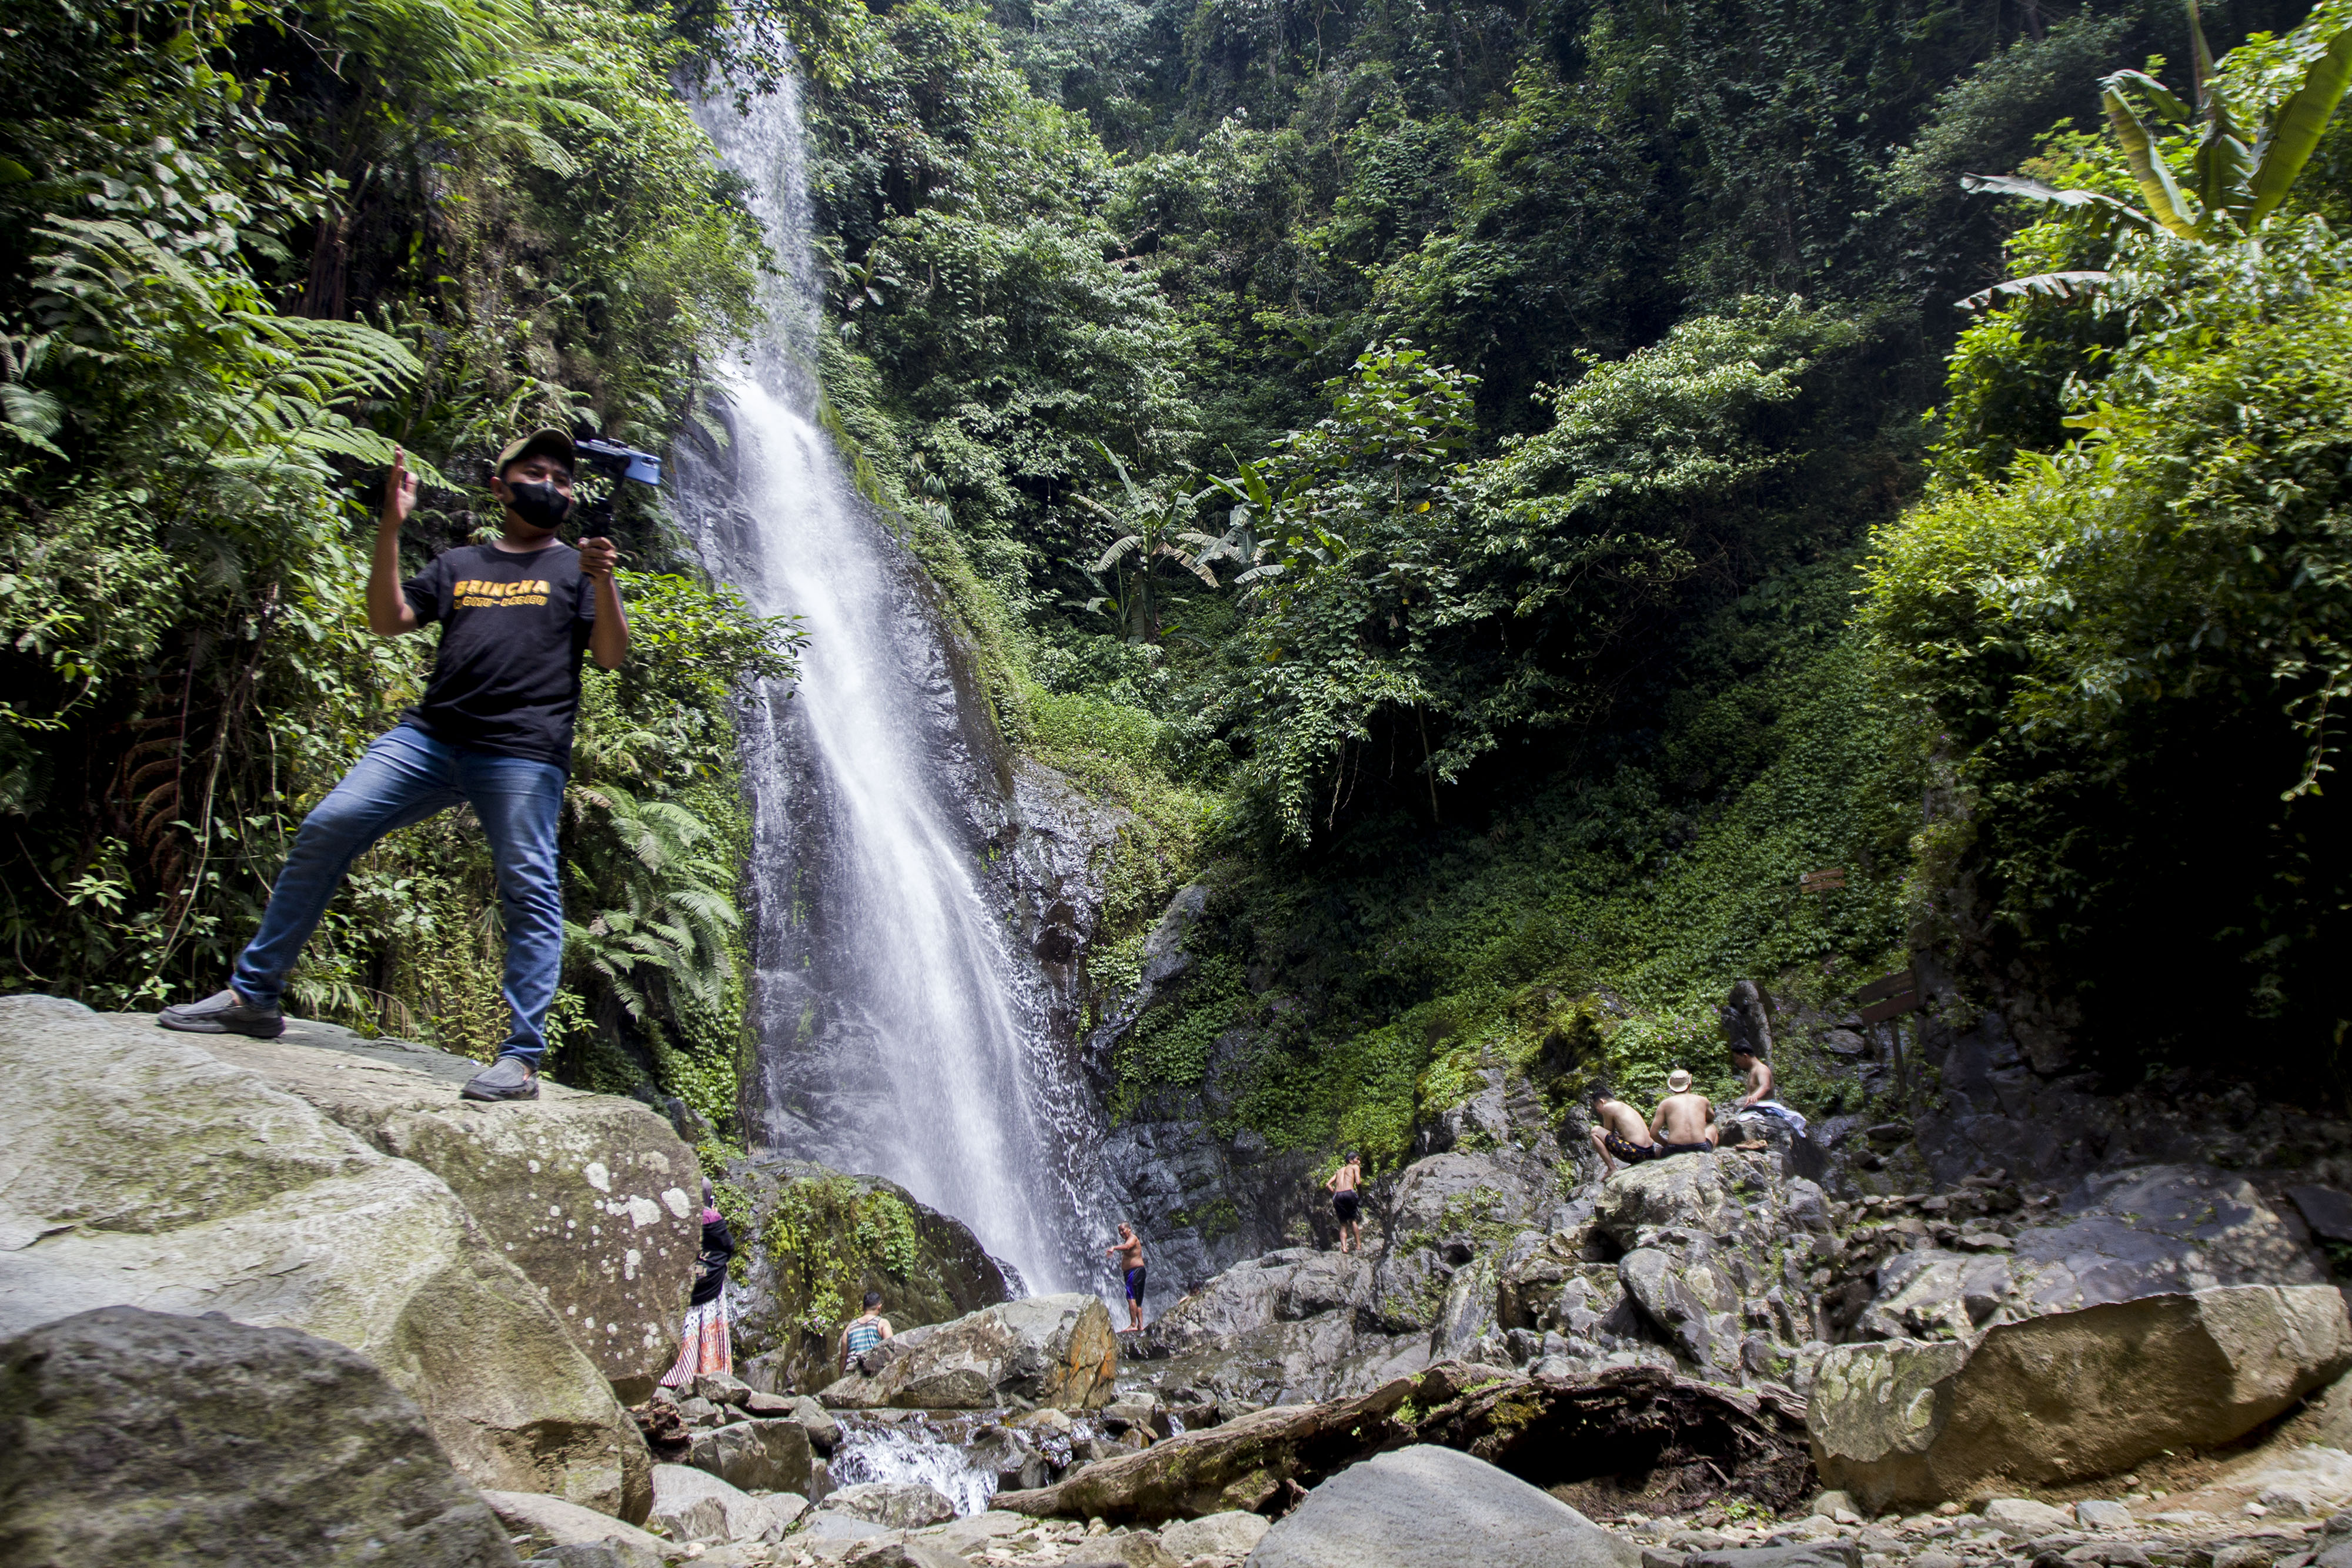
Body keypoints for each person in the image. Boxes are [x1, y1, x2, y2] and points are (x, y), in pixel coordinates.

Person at [158, 432, 629, 1102]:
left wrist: (603, 579)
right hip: (429, 739)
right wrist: (390, 527)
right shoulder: (459, 562)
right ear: (499, 488)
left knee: (529, 888)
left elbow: (610, 655)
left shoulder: (578, 571)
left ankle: (521, 1057)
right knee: (329, 824)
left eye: (561, 478)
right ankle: (254, 997)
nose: (549, 485)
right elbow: (389, 619)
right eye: (534, 472)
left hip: (522, 752)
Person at [661, 1179, 735, 1389]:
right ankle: (710, 1374)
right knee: (707, 1329)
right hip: (711, 1287)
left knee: (687, 1331)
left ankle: (677, 1377)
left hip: (688, 1284)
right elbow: (729, 1247)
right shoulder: (713, 1218)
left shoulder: (678, 1217)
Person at [1730, 1045, 1809, 1138]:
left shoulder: (1761, 1069)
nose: (1736, 1062)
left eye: (1737, 1058)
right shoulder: (1753, 1070)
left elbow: (1765, 1086)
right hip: (1758, 1106)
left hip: (1768, 1107)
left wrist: (1754, 1096)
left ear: (1745, 1056)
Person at [1586, 1086, 1658, 1175]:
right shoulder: (1626, 1107)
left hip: (1636, 1152)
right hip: (1650, 1152)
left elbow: (1608, 1132)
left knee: (1595, 1131)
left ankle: (1612, 1169)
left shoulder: (1608, 1107)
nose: (1598, 1111)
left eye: (1597, 1107)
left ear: (1602, 1102)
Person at [1649, 1068, 1720, 1158]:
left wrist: (1666, 1144)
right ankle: (1708, 1158)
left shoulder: (1665, 1104)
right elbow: (1711, 1118)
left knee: (1658, 1151)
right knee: (1712, 1127)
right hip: (1700, 1148)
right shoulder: (1702, 1100)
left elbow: (1653, 1133)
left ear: (1671, 1086)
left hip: (1675, 1149)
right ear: (1689, 1083)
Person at [1106, 1223, 1146, 1332]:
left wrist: (1114, 1248)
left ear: (1129, 1229)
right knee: (1137, 1300)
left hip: (1134, 1272)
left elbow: (1127, 1246)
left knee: (1131, 1298)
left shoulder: (1133, 1239)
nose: (1122, 1233)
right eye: (1120, 1231)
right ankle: (1140, 1326)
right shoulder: (1130, 1239)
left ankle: (1133, 1324)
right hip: (1136, 1272)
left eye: (1123, 1230)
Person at [841, 1290, 893, 1373]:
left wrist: (841, 1378)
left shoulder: (850, 1327)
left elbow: (843, 1356)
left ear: (862, 1307)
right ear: (879, 1307)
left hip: (851, 1372)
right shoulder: (882, 1324)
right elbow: (890, 1350)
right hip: (871, 1371)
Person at [1323, 1152, 1364, 1253]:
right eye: (1358, 1159)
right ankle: (1358, 1245)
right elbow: (1358, 1182)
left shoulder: (1339, 1171)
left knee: (1343, 1224)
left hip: (1338, 1196)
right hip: (1349, 1193)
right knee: (1353, 1220)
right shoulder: (1355, 1168)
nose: (1359, 1162)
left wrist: (1335, 1193)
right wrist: (1360, 1194)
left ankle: (1344, 1248)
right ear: (1351, 1161)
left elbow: (1328, 1184)